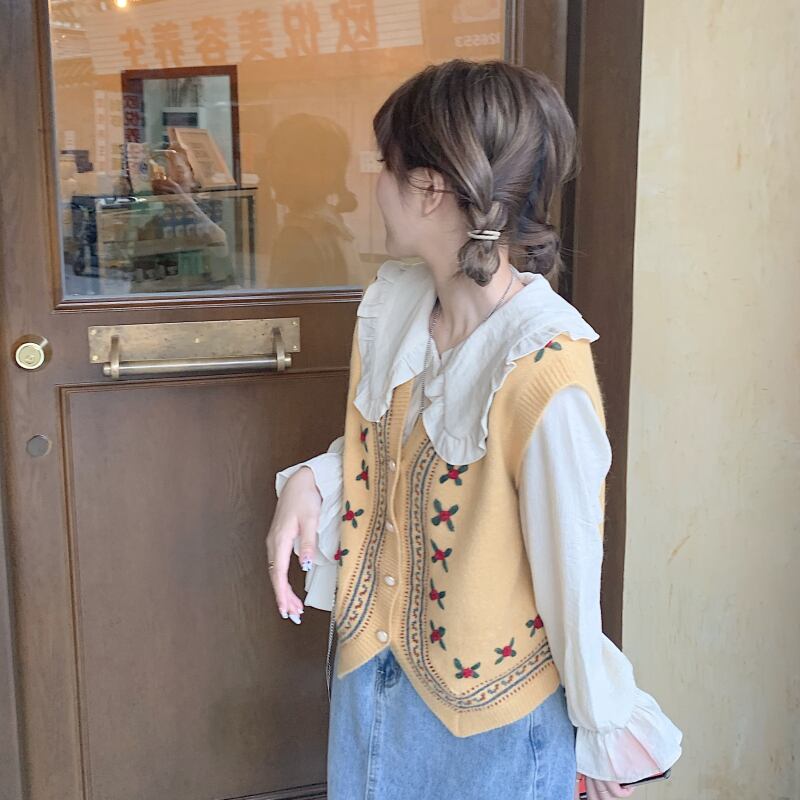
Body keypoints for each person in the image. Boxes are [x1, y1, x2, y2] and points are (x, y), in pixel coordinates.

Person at [266, 59, 683, 800]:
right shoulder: (398, 306)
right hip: (369, 687)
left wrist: (598, 730)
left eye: (386, 165)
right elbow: (393, 450)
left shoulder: (543, 368)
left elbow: (570, 573)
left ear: (430, 188)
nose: (374, 184)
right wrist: (314, 479)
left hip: (492, 732)